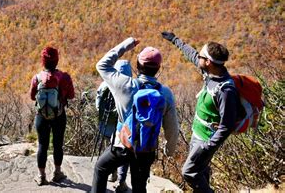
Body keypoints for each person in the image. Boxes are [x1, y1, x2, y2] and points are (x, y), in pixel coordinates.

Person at [92, 37, 179, 193]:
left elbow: (102, 65)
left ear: (137, 66)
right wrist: (169, 150)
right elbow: (172, 128)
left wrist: (128, 44)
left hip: (123, 145)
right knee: (139, 186)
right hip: (147, 148)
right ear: (158, 69)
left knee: (101, 169)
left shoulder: (124, 85)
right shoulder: (165, 93)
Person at [161, 31, 241, 193]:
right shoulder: (210, 73)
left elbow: (227, 125)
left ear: (209, 62)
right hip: (198, 134)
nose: (198, 58)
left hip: (205, 139)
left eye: (201, 57)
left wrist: (208, 146)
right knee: (201, 170)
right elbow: (192, 55)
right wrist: (175, 40)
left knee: (189, 172)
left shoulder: (226, 90)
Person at [29, 46, 75, 186]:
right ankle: (57, 173)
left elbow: (32, 97)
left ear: (43, 61)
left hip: (41, 116)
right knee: (57, 145)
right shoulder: (64, 77)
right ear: (57, 60)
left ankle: (41, 176)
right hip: (59, 115)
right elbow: (71, 96)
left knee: (42, 145)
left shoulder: (37, 78)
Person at [95, 60, 131, 191]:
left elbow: (98, 106)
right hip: (122, 128)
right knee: (122, 151)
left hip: (106, 125)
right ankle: (121, 181)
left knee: (110, 149)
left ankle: (112, 173)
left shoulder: (105, 85)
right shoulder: (131, 86)